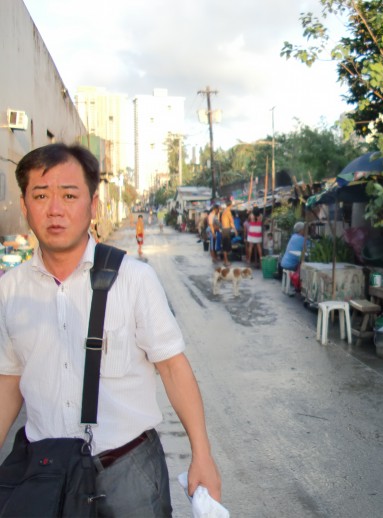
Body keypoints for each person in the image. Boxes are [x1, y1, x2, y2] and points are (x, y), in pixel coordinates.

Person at [0, 143, 221, 516]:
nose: (55, 209)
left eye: (69, 195)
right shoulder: (10, 290)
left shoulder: (135, 279)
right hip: (45, 470)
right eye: (41, 195)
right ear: (24, 206)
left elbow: (172, 366)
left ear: (93, 204)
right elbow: (9, 381)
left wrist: (202, 454)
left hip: (129, 470)